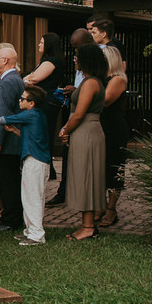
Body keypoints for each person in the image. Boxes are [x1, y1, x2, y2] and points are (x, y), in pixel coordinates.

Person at [0, 87, 51, 245]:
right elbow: (29, 136)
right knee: (29, 196)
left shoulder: (31, 114)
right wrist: (14, 131)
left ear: (31, 103)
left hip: (35, 161)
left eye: (23, 99)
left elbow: (3, 119)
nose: (20, 101)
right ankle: (30, 231)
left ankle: (36, 235)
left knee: (33, 197)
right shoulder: (37, 115)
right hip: (34, 160)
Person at [61, 45, 109, 239]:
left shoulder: (90, 83)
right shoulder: (88, 81)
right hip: (83, 130)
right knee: (82, 175)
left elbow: (80, 113)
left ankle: (89, 227)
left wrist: (65, 129)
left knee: (87, 175)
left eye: (77, 57)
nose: (74, 60)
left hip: (87, 131)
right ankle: (86, 224)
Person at [48, 27, 94, 206]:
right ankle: (65, 190)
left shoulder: (91, 64)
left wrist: (66, 127)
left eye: (77, 47)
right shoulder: (80, 62)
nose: (75, 52)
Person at [0, 44, 25, 232]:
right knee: (9, 180)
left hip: (6, 142)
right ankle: (12, 216)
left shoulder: (9, 81)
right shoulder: (12, 79)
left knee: (8, 181)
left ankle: (10, 219)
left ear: (5, 60)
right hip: (8, 141)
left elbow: (4, 113)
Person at [24, 33, 65, 180]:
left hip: (47, 102)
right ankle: (49, 167)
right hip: (47, 101)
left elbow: (34, 78)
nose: (39, 45)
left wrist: (25, 79)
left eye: (41, 42)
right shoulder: (49, 60)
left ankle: (47, 167)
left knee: (44, 133)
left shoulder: (51, 61)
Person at [99, 46, 130, 228]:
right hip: (101, 126)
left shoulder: (117, 79)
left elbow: (105, 100)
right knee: (101, 167)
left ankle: (112, 208)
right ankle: (101, 205)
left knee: (115, 167)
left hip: (114, 128)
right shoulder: (101, 79)